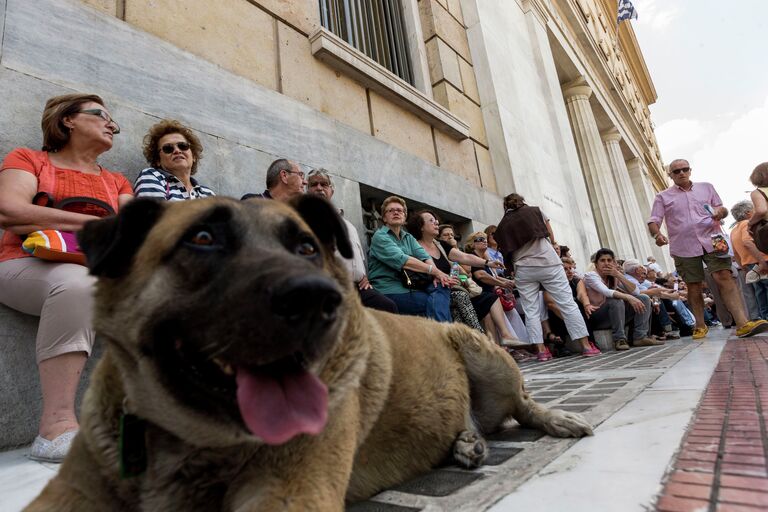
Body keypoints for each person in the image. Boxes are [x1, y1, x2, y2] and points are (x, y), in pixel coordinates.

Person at [0, 93, 133, 462]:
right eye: (100, 115)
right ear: (68, 120)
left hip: (98, 272)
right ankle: (55, 427)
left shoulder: (118, 181)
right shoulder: (29, 159)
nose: (111, 125)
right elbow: (10, 211)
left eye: (113, 122)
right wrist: (98, 225)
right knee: (76, 284)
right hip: (22, 263)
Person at [648, 158, 768, 339]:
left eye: (684, 169)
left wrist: (720, 212)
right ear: (670, 175)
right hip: (683, 246)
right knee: (693, 285)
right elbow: (653, 221)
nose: (681, 173)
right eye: (676, 171)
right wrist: (658, 235)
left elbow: (723, 209)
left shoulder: (707, 187)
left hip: (713, 240)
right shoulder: (662, 196)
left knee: (725, 277)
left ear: (690, 170)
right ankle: (700, 325)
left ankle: (743, 323)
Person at [495, 193, 597, 360]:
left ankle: (541, 351)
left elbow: (506, 250)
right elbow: (550, 233)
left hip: (523, 269)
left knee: (531, 311)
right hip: (547, 263)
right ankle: (586, 346)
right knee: (567, 304)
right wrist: (553, 243)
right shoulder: (535, 211)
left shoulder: (502, 225)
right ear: (522, 201)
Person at [407, 210, 524, 346]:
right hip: (434, 290)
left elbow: (465, 257)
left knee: (488, 297)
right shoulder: (414, 246)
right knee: (461, 297)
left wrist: (487, 262)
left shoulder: (440, 245)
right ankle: (479, 340)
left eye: (436, 220)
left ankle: (505, 335)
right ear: (420, 226)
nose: (436, 222)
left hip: (453, 288)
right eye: (431, 220)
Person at [306, 169, 397, 313]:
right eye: (314, 184)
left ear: (331, 190)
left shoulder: (348, 225)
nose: (319, 188)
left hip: (358, 288)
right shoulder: (305, 219)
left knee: (387, 307)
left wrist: (362, 275)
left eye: (324, 184)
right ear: (307, 190)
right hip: (329, 287)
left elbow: (357, 256)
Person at [367, 196, 454, 321]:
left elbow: (424, 256)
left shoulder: (408, 237)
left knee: (442, 287)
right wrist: (436, 272)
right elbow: (404, 261)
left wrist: (437, 275)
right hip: (389, 289)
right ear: (384, 218)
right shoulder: (380, 237)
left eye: (400, 210)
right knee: (433, 303)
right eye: (391, 210)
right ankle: (446, 334)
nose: (396, 212)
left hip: (411, 285)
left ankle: (443, 334)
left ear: (404, 217)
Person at [583, 249, 656, 350]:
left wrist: (618, 275)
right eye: (602, 260)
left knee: (643, 298)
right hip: (597, 315)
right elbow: (606, 292)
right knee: (616, 300)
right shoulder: (591, 276)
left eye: (609, 260)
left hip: (616, 314)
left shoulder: (614, 275)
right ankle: (619, 339)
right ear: (596, 263)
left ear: (613, 262)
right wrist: (628, 297)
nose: (606, 263)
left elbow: (636, 292)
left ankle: (640, 337)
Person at [133, 119, 215, 200]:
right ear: (158, 160)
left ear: (193, 156)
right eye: (168, 148)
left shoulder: (208, 194)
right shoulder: (151, 176)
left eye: (183, 146)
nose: (177, 151)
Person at [545, 257, 602, 357]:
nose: (570, 272)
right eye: (565, 269)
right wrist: (570, 319)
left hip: (576, 317)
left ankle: (590, 341)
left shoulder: (576, 281)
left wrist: (586, 305)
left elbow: (581, 295)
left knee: (580, 306)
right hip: (559, 317)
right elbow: (550, 303)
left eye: (570, 268)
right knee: (556, 308)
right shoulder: (550, 283)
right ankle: (560, 346)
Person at [729, 200, 768, 319]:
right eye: (754, 209)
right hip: (760, 261)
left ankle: (764, 316)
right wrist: (762, 261)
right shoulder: (747, 224)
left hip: (749, 264)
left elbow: (735, 252)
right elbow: (748, 242)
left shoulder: (733, 230)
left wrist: (743, 267)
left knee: (759, 291)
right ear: (748, 213)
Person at [241, 158, 307, 201]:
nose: (305, 182)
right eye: (300, 175)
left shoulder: (297, 214)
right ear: (284, 176)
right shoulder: (251, 202)